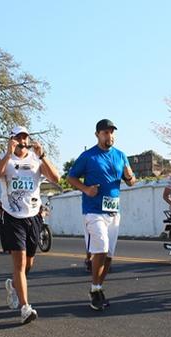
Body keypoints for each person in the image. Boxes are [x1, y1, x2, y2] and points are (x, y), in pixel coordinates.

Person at [0, 125, 60, 324]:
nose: (22, 141)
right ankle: (25, 307)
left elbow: (56, 178)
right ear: (11, 139)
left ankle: (13, 285)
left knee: (29, 263)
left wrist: (43, 155)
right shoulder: (4, 158)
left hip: (33, 216)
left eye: (25, 137)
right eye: (18, 137)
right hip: (12, 216)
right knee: (19, 262)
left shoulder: (36, 159)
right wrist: (7, 155)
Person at [67, 118, 137, 311]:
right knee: (102, 247)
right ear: (97, 134)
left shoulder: (121, 155)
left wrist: (130, 176)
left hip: (114, 211)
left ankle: (97, 289)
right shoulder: (88, 156)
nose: (110, 136)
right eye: (105, 132)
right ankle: (95, 287)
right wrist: (86, 189)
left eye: (112, 132)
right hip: (93, 210)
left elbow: (132, 181)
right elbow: (71, 177)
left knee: (108, 256)